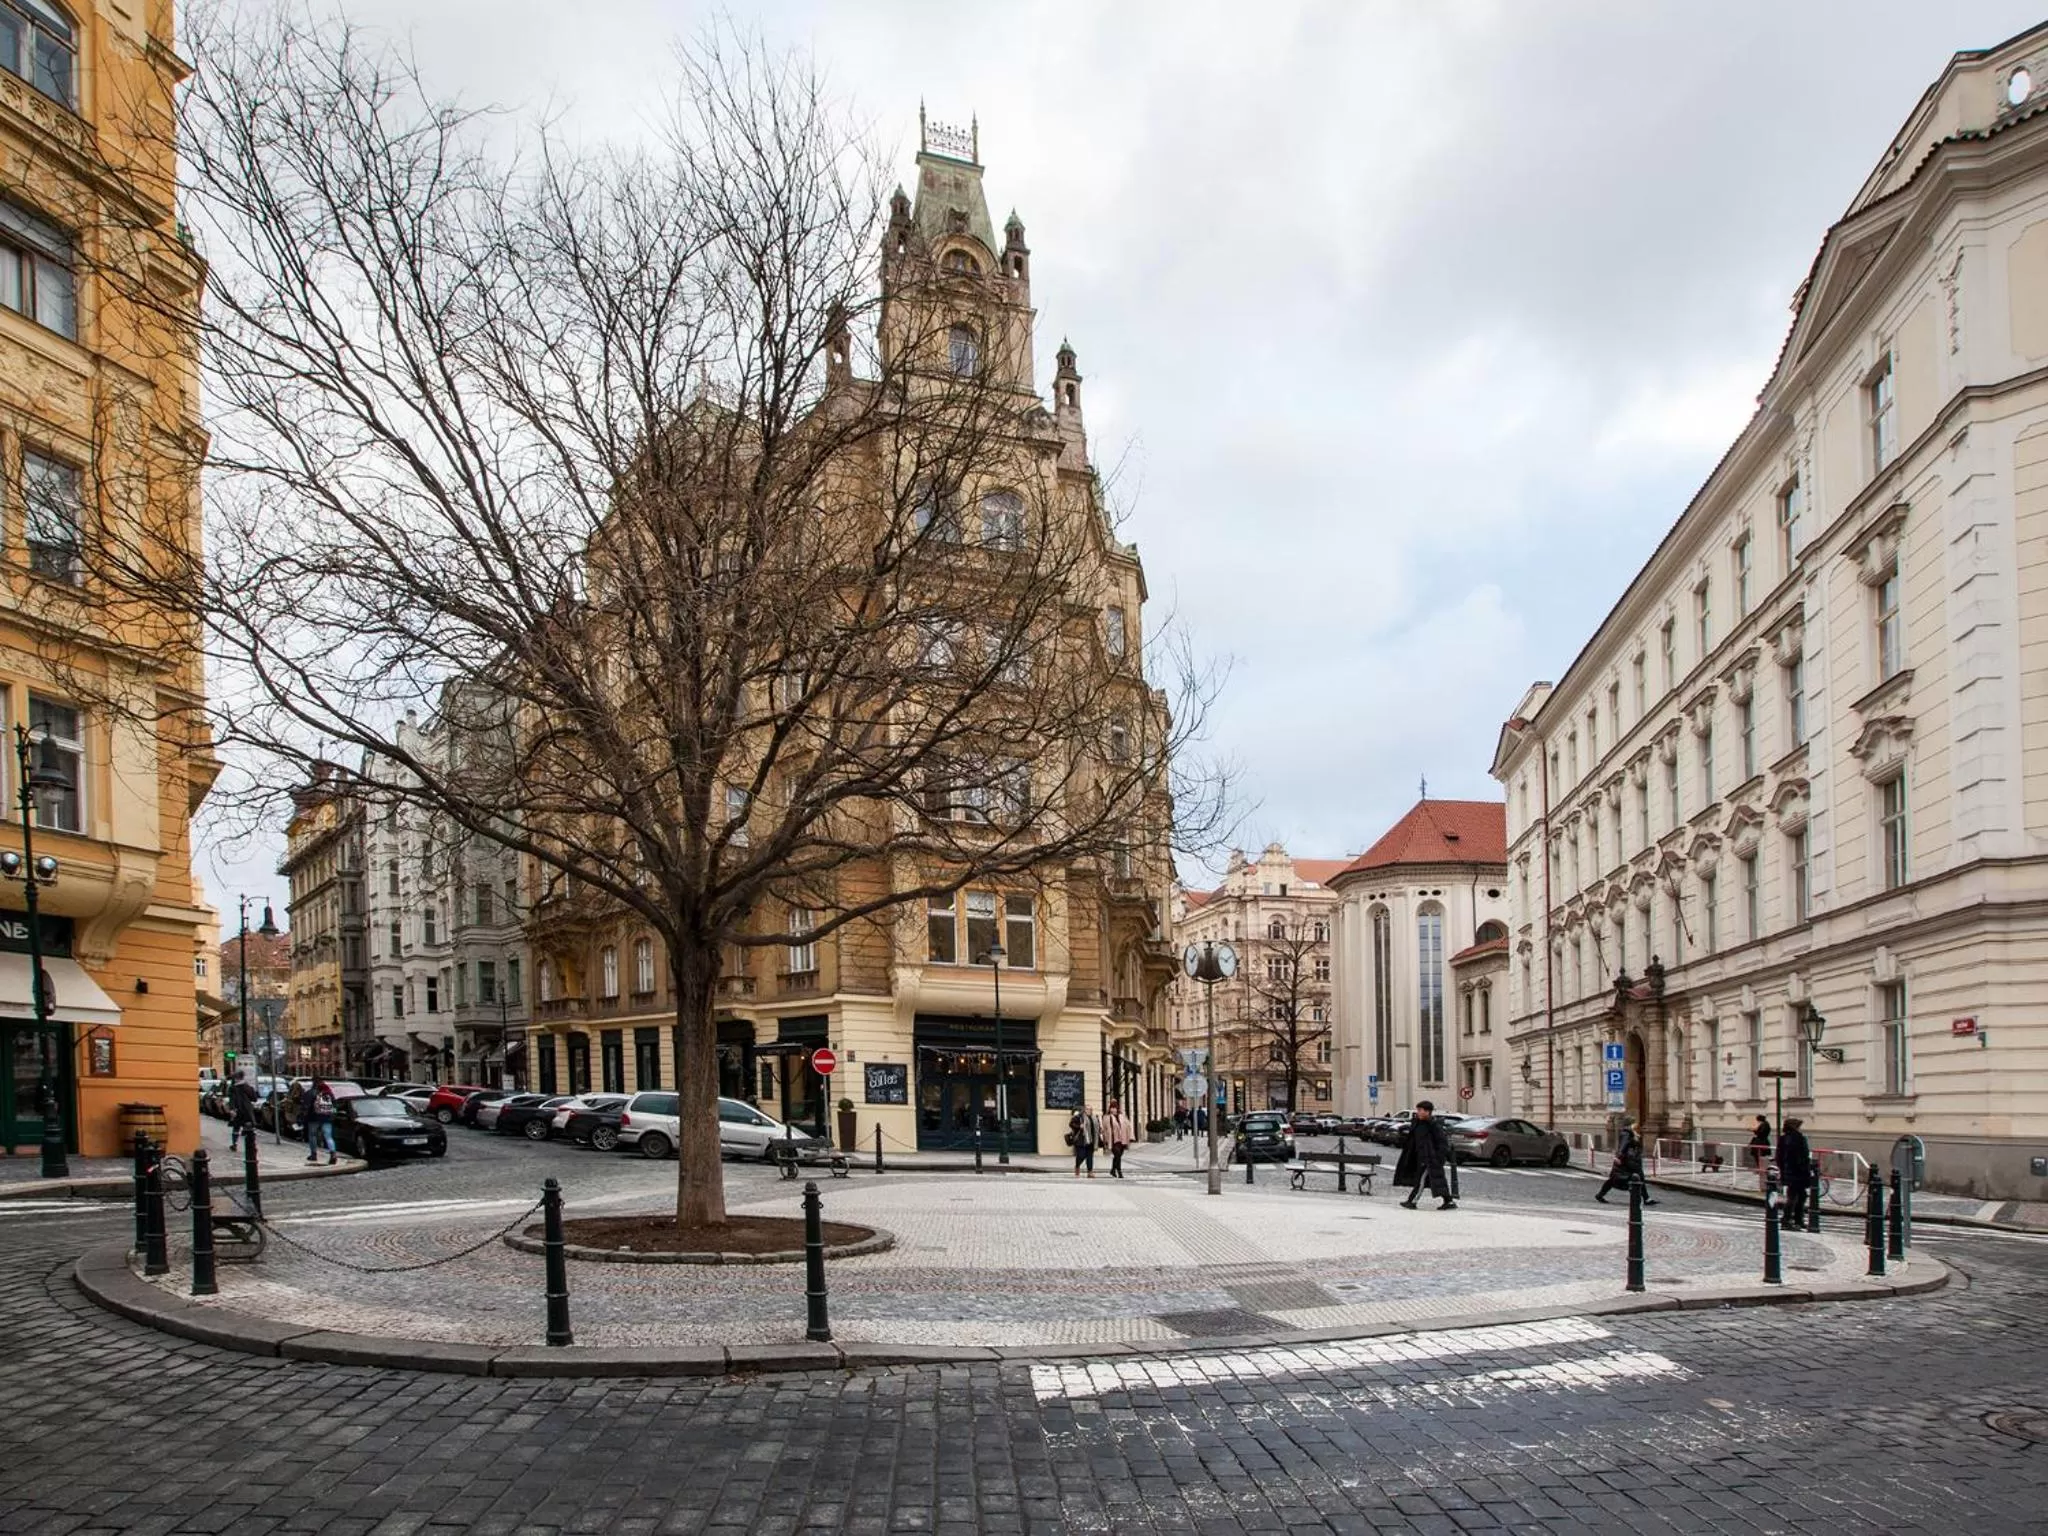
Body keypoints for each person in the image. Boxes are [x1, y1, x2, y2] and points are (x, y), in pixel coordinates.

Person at [1394, 1100, 1456, 1210]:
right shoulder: (1419, 1124)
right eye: (1417, 1110)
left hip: (1430, 1158)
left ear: (1427, 1112)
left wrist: (1438, 1157)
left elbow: (1442, 1143)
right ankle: (1449, 1201)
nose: (1417, 1112)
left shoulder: (1434, 1125)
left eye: (1420, 1110)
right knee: (1435, 1180)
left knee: (1421, 1180)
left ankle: (1412, 1201)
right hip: (1421, 1157)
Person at [1595, 1120, 1657, 1205]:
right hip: (1626, 1161)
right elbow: (1623, 1146)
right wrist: (1618, 1157)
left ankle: (1646, 1198)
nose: (1638, 1128)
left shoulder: (1631, 1134)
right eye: (1636, 1126)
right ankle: (1642, 1199)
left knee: (1618, 1179)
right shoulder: (1627, 1134)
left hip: (1629, 1161)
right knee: (1630, 1178)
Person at [1776, 1116, 1814, 1226]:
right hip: (1799, 1172)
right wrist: (1805, 1169)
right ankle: (1789, 1219)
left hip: (1788, 1171)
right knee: (1796, 1196)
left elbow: (1779, 1157)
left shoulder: (1783, 1139)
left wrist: (1783, 1169)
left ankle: (1795, 1219)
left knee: (1797, 1195)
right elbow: (1803, 1156)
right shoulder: (1799, 1138)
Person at [303, 1077, 338, 1165]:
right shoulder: (329, 1092)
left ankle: (313, 1154)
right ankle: (333, 1154)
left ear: (313, 1083)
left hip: (313, 1118)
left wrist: (304, 1117)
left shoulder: (310, 1093)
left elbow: (305, 1106)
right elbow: (335, 1105)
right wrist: (332, 1115)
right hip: (326, 1118)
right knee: (328, 1136)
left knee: (312, 1135)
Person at [1100, 1098, 1136, 1179]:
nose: (1113, 1109)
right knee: (1117, 1154)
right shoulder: (1106, 1117)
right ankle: (1119, 1171)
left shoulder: (1122, 1116)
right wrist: (1105, 1140)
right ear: (1110, 1109)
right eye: (1112, 1108)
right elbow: (1104, 1129)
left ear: (1117, 1108)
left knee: (1118, 1156)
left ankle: (1113, 1170)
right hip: (1113, 1140)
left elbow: (1128, 1126)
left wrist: (1131, 1137)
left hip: (1122, 1140)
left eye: (1115, 1108)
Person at [1066, 1104, 1101, 1178]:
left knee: (1090, 1156)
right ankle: (1077, 1166)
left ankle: (1090, 1172)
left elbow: (1097, 1128)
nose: (1090, 1111)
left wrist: (1100, 1130)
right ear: (1084, 1110)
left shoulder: (1094, 1118)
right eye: (1088, 1109)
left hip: (1091, 1140)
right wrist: (1079, 1126)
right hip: (1081, 1140)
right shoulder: (1079, 1117)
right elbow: (1071, 1124)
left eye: (1091, 1109)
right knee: (1081, 1155)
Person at [228, 1071, 259, 1152]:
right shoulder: (247, 1087)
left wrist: (232, 1109)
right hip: (247, 1110)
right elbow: (254, 1098)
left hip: (237, 1110)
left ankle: (234, 1144)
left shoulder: (233, 1088)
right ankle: (252, 1145)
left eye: (235, 1078)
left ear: (236, 1078)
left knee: (236, 1128)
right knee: (249, 1127)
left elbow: (232, 1100)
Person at [1748, 1114, 1773, 1188]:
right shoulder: (1765, 1124)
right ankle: (1760, 1168)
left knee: (1760, 1155)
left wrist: (1754, 1130)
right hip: (1761, 1141)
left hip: (1761, 1142)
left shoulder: (1764, 1125)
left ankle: (1761, 1168)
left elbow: (1761, 1133)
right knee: (1759, 1155)